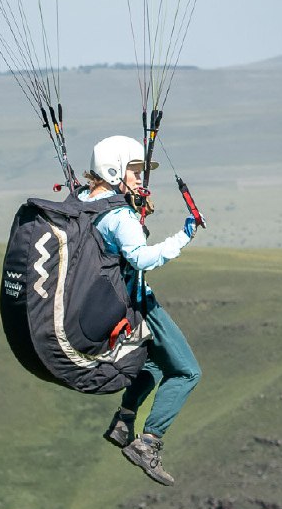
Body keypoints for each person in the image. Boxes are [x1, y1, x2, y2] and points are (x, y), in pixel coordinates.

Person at [80, 135, 202, 486]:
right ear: (114, 170)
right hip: (137, 302)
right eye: (134, 170)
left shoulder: (87, 201)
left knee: (150, 364)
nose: (140, 178)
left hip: (108, 304)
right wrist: (184, 236)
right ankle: (147, 443)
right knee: (187, 372)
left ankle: (123, 421)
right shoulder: (118, 215)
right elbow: (141, 257)